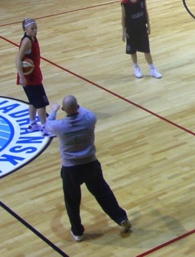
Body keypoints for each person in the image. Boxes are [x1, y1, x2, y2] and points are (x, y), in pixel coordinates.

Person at [46, 95, 132, 242]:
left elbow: (47, 124)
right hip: (91, 164)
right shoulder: (90, 119)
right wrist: (77, 106)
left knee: (72, 201)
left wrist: (54, 110)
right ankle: (121, 218)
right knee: (103, 193)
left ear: (64, 109)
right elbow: (85, 111)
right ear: (78, 106)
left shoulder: (59, 126)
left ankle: (78, 232)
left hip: (71, 169)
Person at [15, 18, 54, 137]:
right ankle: (44, 127)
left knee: (32, 101)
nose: (35, 30)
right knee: (41, 104)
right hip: (30, 78)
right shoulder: (27, 41)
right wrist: (22, 77)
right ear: (25, 29)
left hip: (34, 75)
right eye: (32, 28)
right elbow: (17, 59)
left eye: (36, 28)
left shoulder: (33, 38)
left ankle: (32, 124)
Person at [121, 0, 162, 79]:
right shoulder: (125, 3)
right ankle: (136, 68)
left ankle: (152, 69)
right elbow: (123, 18)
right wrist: (123, 31)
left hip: (142, 28)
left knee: (146, 50)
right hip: (131, 30)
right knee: (133, 51)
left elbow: (146, 12)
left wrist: (148, 25)